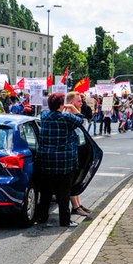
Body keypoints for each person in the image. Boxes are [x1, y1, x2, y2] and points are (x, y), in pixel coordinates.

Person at [34, 93, 84, 227]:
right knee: (64, 194)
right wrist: (73, 108)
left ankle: (42, 217)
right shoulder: (66, 117)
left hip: (45, 161)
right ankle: (64, 221)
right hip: (64, 162)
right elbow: (81, 120)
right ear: (62, 105)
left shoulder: (44, 116)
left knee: (46, 193)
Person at [65, 92, 92, 217]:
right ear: (71, 103)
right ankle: (75, 207)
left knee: (76, 179)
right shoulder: (68, 116)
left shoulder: (72, 114)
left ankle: (78, 204)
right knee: (73, 180)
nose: (81, 103)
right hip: (71, 153)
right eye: (79, 101)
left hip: (77, 151)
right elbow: (80, 122)